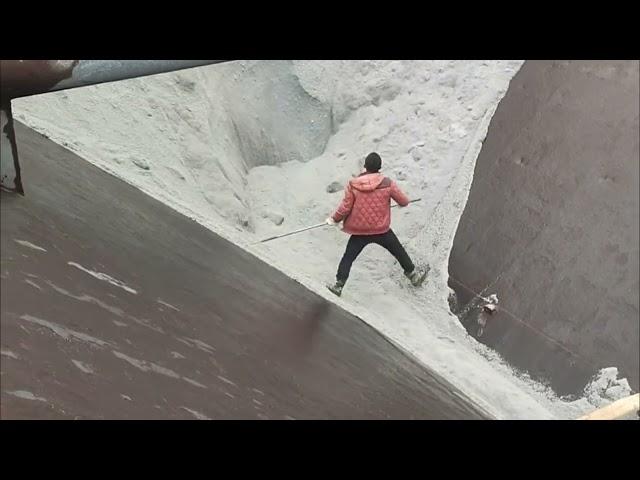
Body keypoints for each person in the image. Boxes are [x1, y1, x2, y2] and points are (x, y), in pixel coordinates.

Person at [325, 152, 427, 297]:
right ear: (380, 167)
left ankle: (339, 285)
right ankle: (413, 275)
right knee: (398, 251)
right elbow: (403, 201)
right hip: (381, 230)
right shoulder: (387, 183)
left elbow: (345, 207)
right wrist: (398, 203)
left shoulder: (353, 184)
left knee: (348, 257)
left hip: (359, 232)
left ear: (365, 166)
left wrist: (333, 219)